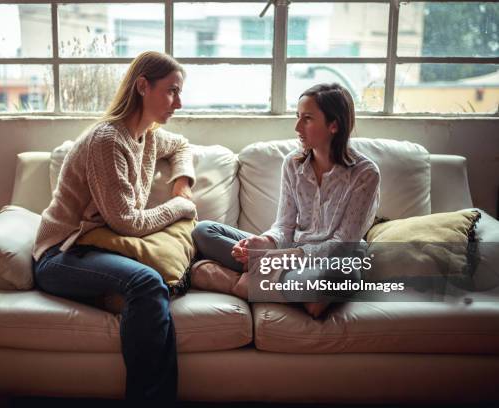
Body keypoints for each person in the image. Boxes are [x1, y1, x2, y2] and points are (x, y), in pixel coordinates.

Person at [32, 51, 196, 402]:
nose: (178, 103)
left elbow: (181, 145)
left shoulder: (147, 136)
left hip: (100, 247)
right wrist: (179, 206)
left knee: (172, 270)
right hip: (63, 253)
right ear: (142, 86)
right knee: (147, 282)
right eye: (172, 91)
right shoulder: (107, 140)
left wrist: (182, 182)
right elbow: (128, 222)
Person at [192, 83, 381, 304]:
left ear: (334, 125)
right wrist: (263, 242)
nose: (297, 127)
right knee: (204, 231)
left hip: (333, 260)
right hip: (288, 253)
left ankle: (235, 284)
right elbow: (285, 225)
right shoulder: (292, 164)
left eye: (307, 119)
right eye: (297, 116)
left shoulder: (365, 174)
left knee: (342, 275)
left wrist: (281, 258)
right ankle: (295, 293)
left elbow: (342, 243)